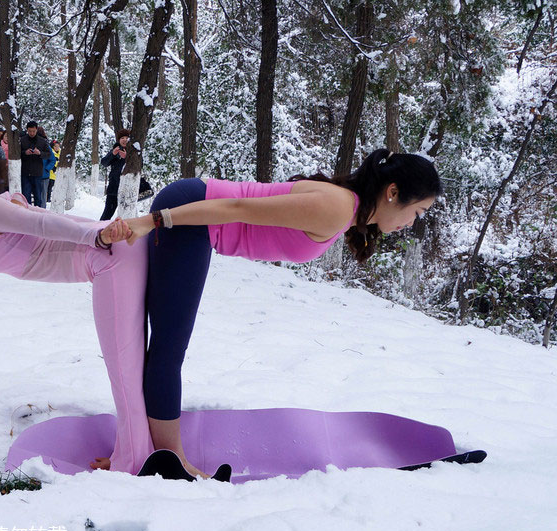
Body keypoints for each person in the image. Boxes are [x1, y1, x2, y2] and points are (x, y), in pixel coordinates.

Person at [123, 149, 443, 477]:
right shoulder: (337, 207)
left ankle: (140, 450)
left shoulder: (344, 206)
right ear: (393, 192)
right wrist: (153, 220)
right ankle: (171, 462)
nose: (411, 223)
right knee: (168, 348)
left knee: (163, 344)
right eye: (418, 211)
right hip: (192, 214)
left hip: (197, 217)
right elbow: (238, 207)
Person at [0, 139, 153, 474]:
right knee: (131, 369)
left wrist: (99, 237)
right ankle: (139, 452)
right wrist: (102, 232)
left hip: (110, 258)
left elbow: (43, 225)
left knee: (125, 372)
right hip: (115, 252)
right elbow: (46, 218)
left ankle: (132, 463)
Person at [99, 129, 129, 221]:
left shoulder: (133, 152)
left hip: (127, 190)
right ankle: (99, 232)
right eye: (122, 138)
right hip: (113, 189)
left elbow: (139, 165)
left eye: (127, 138)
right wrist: (112, 154)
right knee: (106, 215)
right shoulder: (115, 150)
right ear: (119, 140)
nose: (124, 140)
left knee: (126, 216)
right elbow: (104, 163)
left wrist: (127, 157)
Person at [20, 121, 50, 207]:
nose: (32, 133)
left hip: (37, 173)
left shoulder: (42, 141)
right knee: (26, 197)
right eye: (30, 131)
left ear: (36, 130)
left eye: (33, 131)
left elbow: (48, 154)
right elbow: (17, 154)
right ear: (27, 130)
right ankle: (27, 215)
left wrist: (39, 153)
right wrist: (25, 152)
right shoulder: (22, 140)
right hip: (25, 173)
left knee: (38, 197)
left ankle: (38, 215)